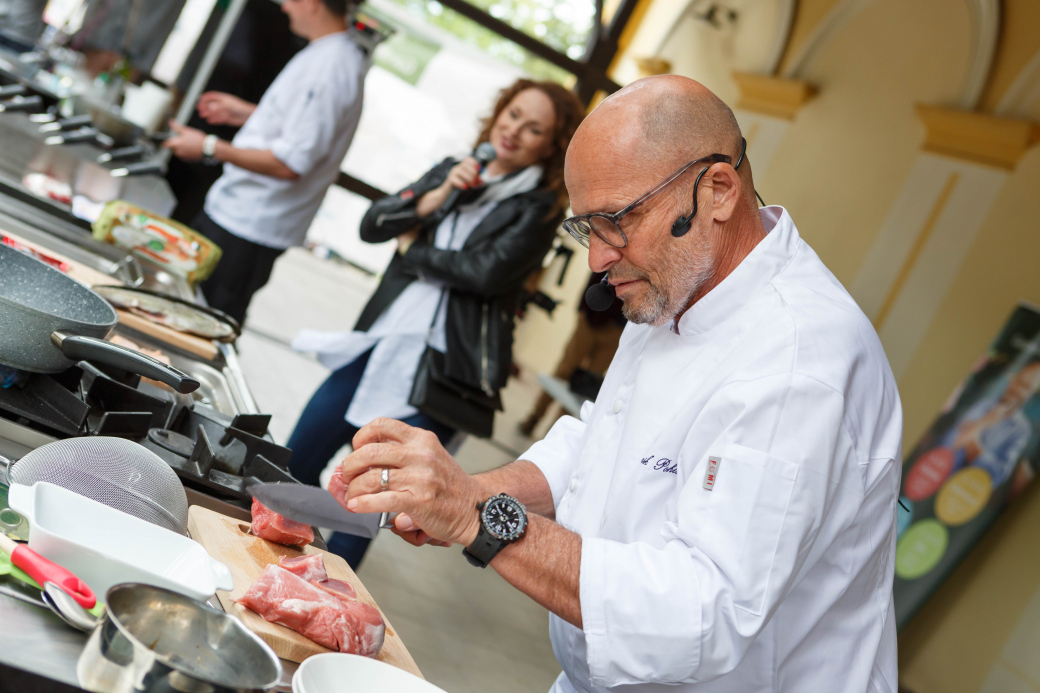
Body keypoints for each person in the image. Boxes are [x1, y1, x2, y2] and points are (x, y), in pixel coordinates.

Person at [335, 75, 903, 692]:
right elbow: (601, 440)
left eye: (616, 220)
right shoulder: (677, 279)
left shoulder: (800, 364)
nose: (597, 260)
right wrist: (469, 490)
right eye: (586, 227)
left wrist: (479, 516)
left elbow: (700, 617)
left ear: (715, 189)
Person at [287, 78, 585, 569]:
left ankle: (317, 597)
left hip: (443, 373)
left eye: (533, 129)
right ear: (497, 114)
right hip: (382, 342)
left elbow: (485, 274)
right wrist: (444, 191)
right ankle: (262, 553)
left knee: (365, 503)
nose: (514, 131)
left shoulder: (538, 208)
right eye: (512, 115)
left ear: (551, 145)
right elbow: (375, 223)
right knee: (296, 457)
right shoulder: (456, 171)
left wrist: (414, 249)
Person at [163, 0, 369, 325]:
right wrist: (244, 112)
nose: (285, 7)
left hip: (250, 227)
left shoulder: (332, 67)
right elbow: (303, 130)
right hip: (237, 214)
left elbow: (290, 164)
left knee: (200, 323)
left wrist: (209, 146)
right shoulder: (326, 53)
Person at [519, 271, 626, 437]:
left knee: (584, 387)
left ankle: (556, 433)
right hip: (590, 320)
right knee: (564, 370)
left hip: (616, 331)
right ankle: (534, 417)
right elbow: (595, 276)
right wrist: (582, 308)